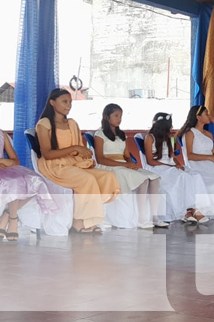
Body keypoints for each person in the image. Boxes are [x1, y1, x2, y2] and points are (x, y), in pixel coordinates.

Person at [35, 88, 120, 234]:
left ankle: (88, 218)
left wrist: (85, 157)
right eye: (64, 101)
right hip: (55, 165)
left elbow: (79, 149)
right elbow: (47, 154)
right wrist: (73, 149)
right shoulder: (44, 124)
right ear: (52, 103)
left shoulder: (73, 123)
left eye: (70, 102)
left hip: (73, 163)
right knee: (87, 179)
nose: (68, 105)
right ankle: (80, 223)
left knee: (107, 176)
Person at [94, 103, 167, 229]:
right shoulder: (99, 134)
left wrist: (130, 163)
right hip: (109, 166)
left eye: (120, 116)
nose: (119, 119)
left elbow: (126, 155)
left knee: (154, 178)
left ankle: (154, 216)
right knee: (143, 181)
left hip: (122, 165)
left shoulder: (122, 135)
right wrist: (124, 164)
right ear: (106, 117)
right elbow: (100, 159)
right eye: (116, 115)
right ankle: (141, 217)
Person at [143, 113, 209, 224]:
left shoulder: (168, 138)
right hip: (157, 167)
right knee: (184, 177)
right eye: (170, 125)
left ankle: (195, 208)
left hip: (170, 166)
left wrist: (178, 164)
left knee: (195, 175)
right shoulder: (150, 138)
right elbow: (150, 161)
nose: (172, 127)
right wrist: (171, 167)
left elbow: (172, 156)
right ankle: (188, 210)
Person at [0, 128, 57, 241]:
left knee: (36, 182)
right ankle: (13, 220)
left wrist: (9, 162)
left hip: (4, 170)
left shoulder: (2, 134)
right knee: (13, 182)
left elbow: (15, 160)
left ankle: (8, 215)